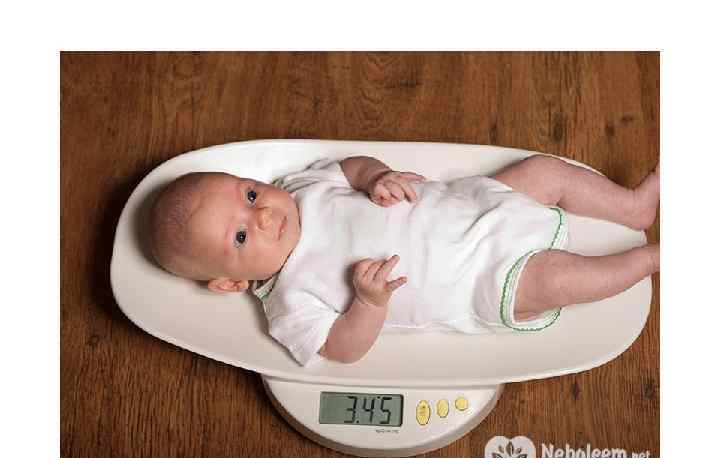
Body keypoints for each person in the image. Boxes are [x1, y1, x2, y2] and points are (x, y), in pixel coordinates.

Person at [149, 154, 659, 366]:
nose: (261, 216)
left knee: (546, 171)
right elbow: (342, 349)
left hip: (477, 200)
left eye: (250, 195)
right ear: (230, 283)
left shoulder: (300, 187)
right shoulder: (288, 302)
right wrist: (369, 304)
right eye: (240, 236)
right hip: (480, 280)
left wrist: (375, 177)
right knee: (561, 281)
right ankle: (648, 261)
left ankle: (632, 206)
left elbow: (350, 167)